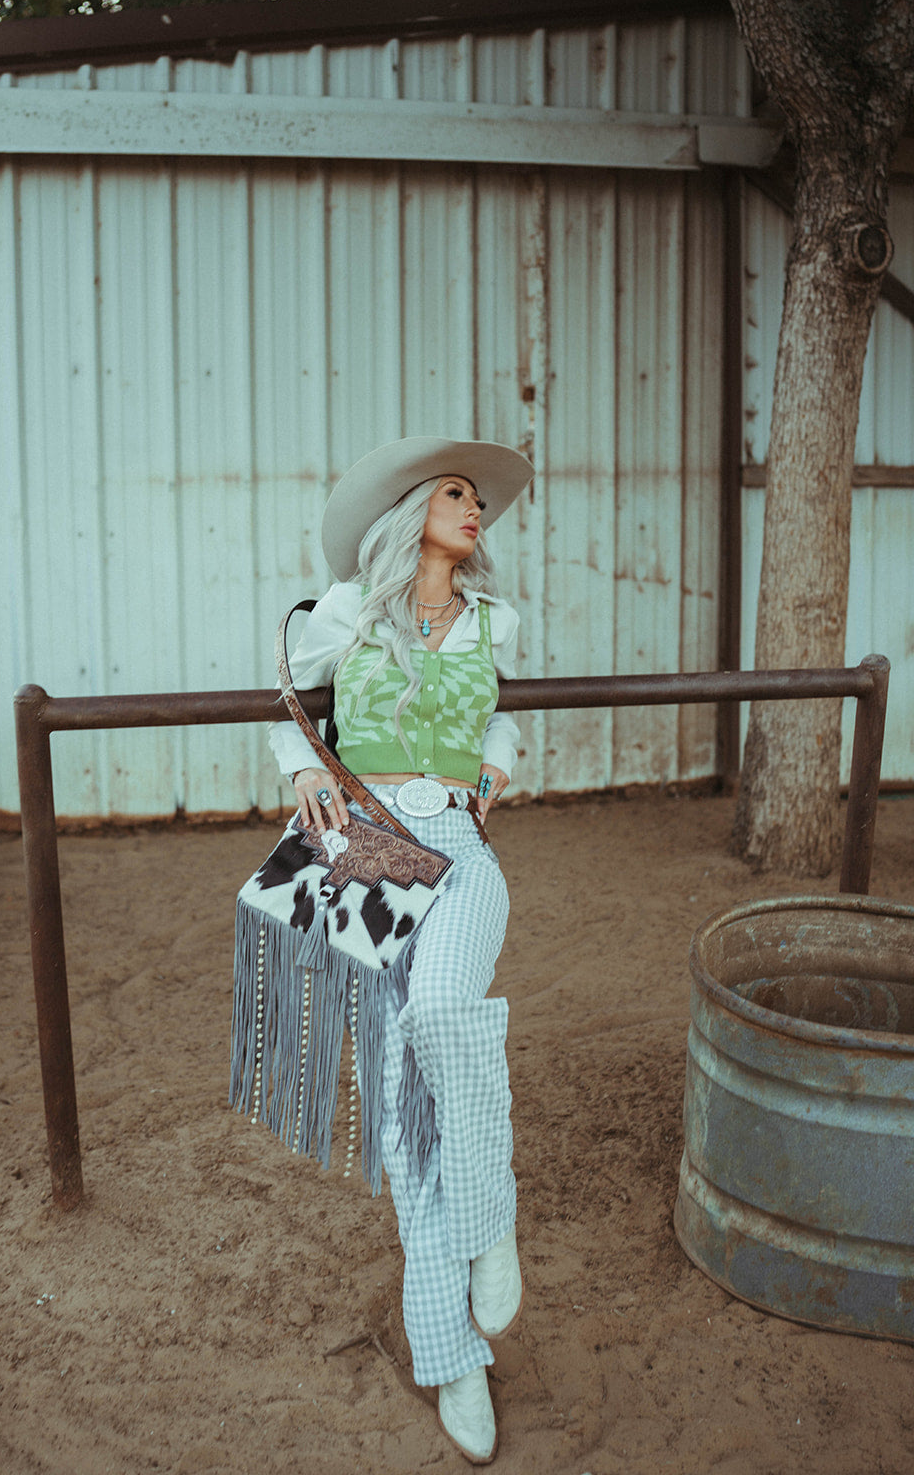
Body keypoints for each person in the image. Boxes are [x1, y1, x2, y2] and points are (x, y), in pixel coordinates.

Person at [267, 436, 533, 1465]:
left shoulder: (494, 618)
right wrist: (303, 770)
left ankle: (490, 1218)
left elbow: (498, 713)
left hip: (459, 848)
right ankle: (451, 1353)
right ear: (410, 511)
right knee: (404, 1116)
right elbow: (289, 707)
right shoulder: (346, 611)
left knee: (443, 1013)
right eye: (455, 494)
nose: (474, 510)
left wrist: (499, 760)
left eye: (477, 501)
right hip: (366, 850)